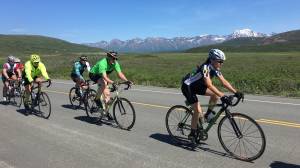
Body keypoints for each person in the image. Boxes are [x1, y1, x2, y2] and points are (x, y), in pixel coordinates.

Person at [181, 49, 243, 143]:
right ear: (212, 60)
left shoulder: (216, 69)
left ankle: (207, 115)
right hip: (188, 87)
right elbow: (209, 84)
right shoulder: (205, 68)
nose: (221, 64)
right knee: (197, 110)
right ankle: (192, 133)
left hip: (199, 86)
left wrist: (236, 92)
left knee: (215, 95)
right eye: (220, 61)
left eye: (223, 62)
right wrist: (223, 96)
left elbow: (224, 82)